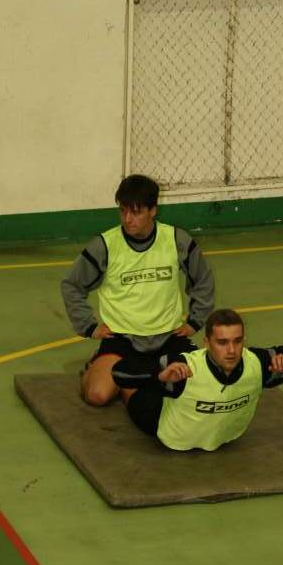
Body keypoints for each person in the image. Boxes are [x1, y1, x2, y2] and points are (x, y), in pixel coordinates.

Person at [61, 174, 215, 406]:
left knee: (203, 389)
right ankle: (102, 369)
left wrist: (195, 321)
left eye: (136, 212)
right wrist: (89, 327)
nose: (128, 219)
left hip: (169, 337)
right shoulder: (105, 245)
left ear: (153, 210)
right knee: (97, 395)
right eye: (123, 211)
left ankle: (134, 379)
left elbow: (202, 280)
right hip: (122, 341)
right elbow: (71, 285)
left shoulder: (177, 240)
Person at [111, 308, 283, 451]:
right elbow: (119, 373)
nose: (231, 350)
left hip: (226, 437)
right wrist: (158, 375)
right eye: (222, 342)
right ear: (206, 342)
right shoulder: (184, 368)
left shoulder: (258, 363)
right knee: (140, 390)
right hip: (168, 431)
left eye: (237, 341)